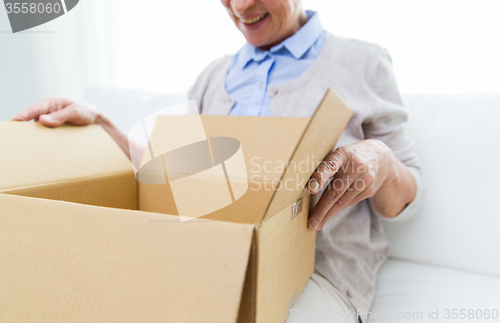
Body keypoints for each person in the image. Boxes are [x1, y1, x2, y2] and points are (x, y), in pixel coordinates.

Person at [11, 0, 425, 322]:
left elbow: (405, 205)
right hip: (210, 261)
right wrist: (99, 121)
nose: (241, 6)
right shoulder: (214, 76)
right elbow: (173, 175)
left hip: (318, 277)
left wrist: (381, 160)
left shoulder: (363, 63)